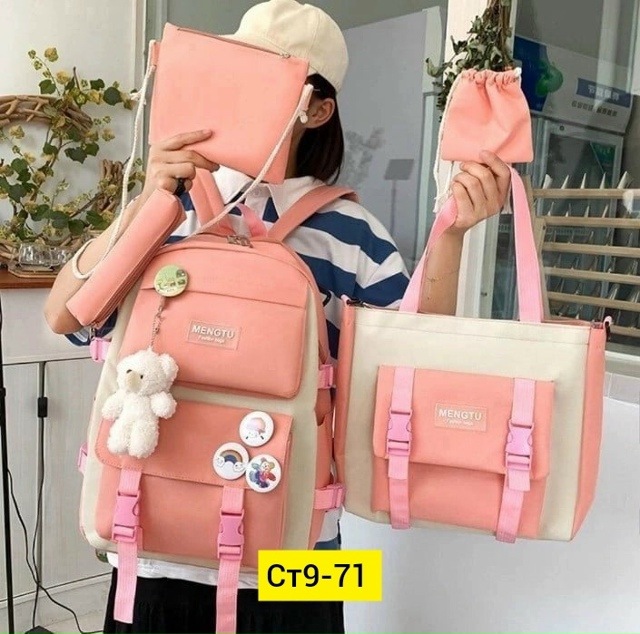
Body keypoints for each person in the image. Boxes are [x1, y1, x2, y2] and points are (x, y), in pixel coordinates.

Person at [44, 1, 512, 632]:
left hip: (300, 562)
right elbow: (67, 319)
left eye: (264, 73)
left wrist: (451, 236)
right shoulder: (169, 205)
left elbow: (410, 374)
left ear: (316, 109)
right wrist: (146, 202)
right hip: (150, 546)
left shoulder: (352, 233)